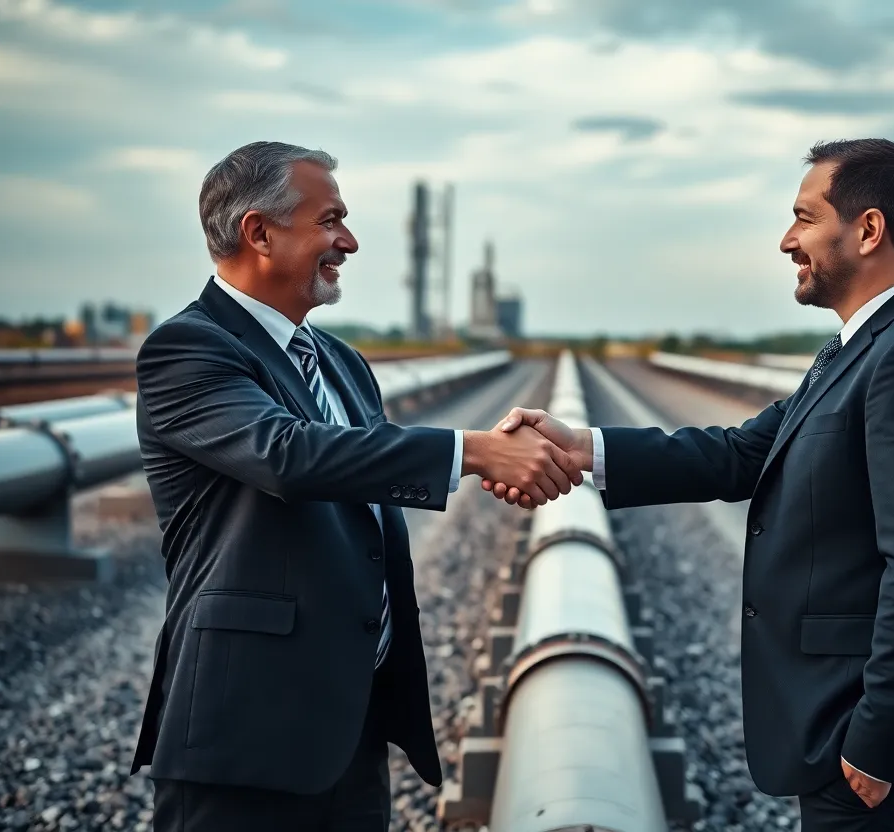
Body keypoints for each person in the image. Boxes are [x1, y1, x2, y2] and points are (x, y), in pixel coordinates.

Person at [485, 138, 894, 831]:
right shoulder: (866, 345)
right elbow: (740, 453)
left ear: (868, 229)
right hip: (839, 718)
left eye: (805, 218)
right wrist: (583, 448)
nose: (787, 240)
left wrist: (877, 742)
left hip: (872, 740)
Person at [128, 140, 582, 832]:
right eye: (331, 219)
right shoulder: (189, 349)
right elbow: (288, 456)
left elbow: (361, 467)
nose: (350, 240)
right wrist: (475, 453)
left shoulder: (340, 361)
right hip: (245, 735)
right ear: (259, 232)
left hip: (349, 728)